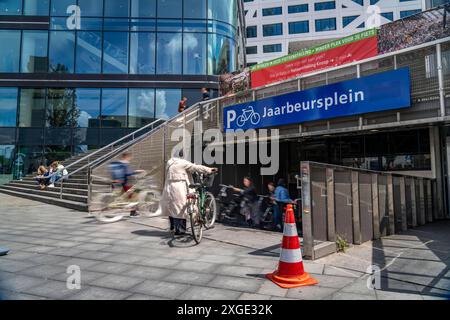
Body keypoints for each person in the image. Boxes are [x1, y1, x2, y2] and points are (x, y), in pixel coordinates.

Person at [160, 151, 217, 235]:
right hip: (180, 187)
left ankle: (173, 227)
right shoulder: (183, 163)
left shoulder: (169, 162)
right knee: (182, 207)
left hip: (169, 187)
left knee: (172, 207)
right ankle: (180, 230)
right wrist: (209, 169)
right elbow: (196, 167)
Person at [108, 152, 144, 217]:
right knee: (136, 194)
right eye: (129, 157)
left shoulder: (116, 163)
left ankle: (125, 210)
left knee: (124, 198)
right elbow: (128, 173)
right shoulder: (125, 163)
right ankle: (133, 213)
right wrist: (137, 171)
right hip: (126, 183)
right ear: (126, 157)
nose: (130, 159)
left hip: (117, 183)